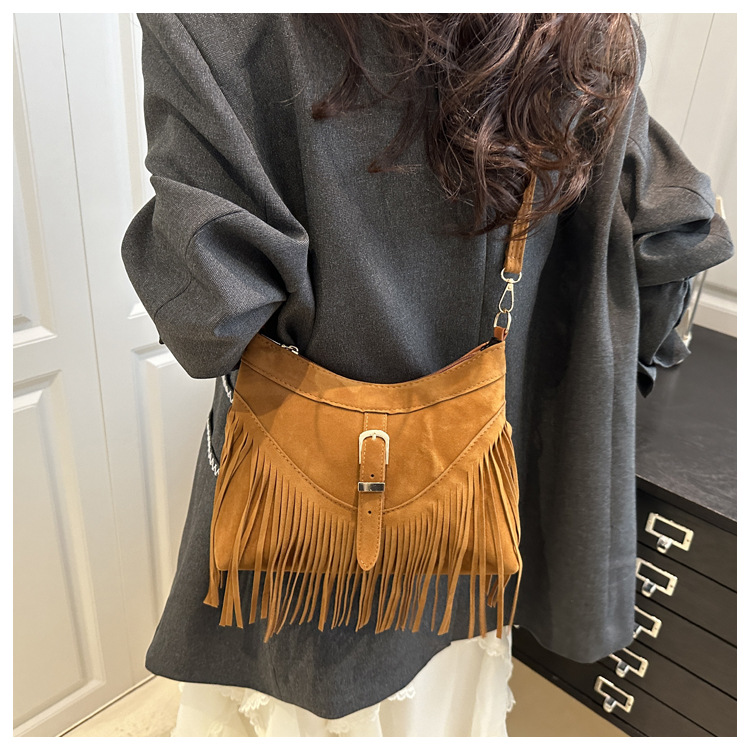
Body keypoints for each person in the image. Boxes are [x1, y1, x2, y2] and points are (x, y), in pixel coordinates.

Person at [120, 13, 734, 737]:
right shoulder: (586, 39)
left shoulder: (216, 27)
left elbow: (211, 319)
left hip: (302, 537)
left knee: (299, 706)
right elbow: (672, 240)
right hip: (471, 515)